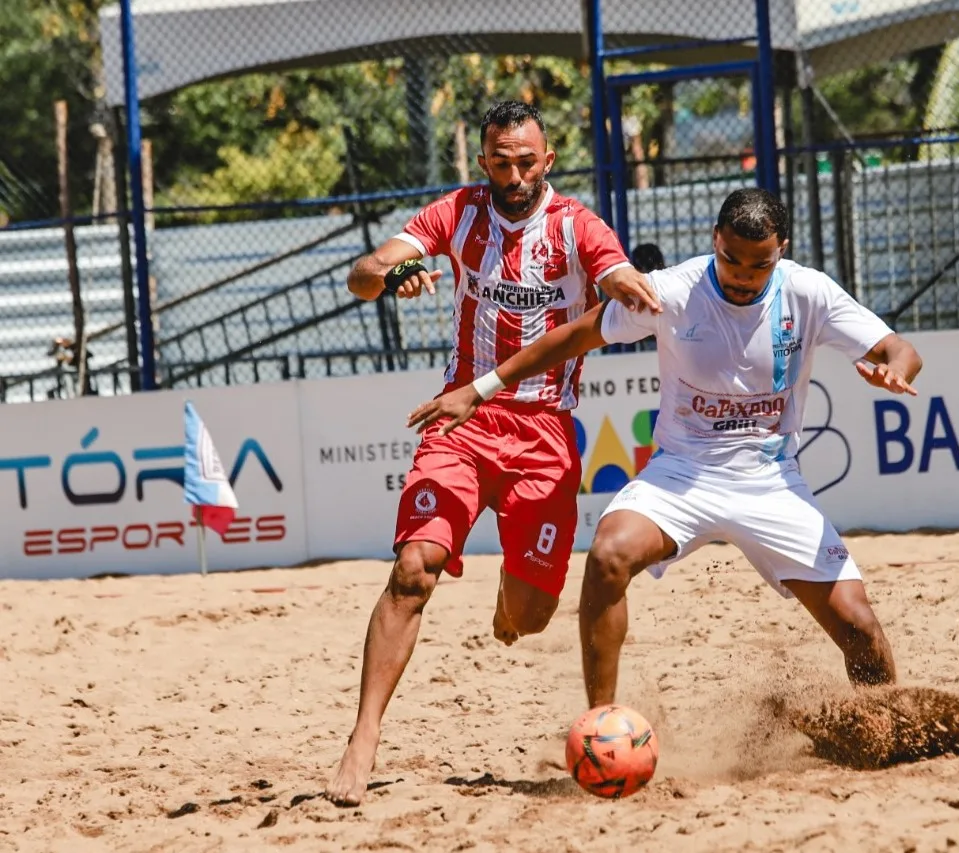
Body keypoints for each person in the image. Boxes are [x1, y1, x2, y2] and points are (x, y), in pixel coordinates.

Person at [408, 188, 924, 709]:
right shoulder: (672, 291)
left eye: (759, 264)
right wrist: (479, 389)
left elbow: (899, 349)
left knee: (858, 625)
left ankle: (886, 726)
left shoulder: (809, 293)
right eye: (731, 260)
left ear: (781, 250)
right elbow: (570, 338)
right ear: (715, 240)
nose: (744, 275)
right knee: (608, 554)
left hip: (770, 479)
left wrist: (894, 372)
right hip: (681, 473)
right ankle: (602, 723)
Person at [325, 100, 659, 807]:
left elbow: (615, 273)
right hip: (461, 420)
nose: (513, 174)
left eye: (525, 161)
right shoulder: (456, 212)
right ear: (483, 162)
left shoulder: (575, 225)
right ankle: (361, 740)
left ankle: (510, 608)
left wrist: (629, 284)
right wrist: (387, 276)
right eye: (500, 162)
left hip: (543, 437)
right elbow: (362, 271)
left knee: (532, 615)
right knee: (414, 569)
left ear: (548, 159)